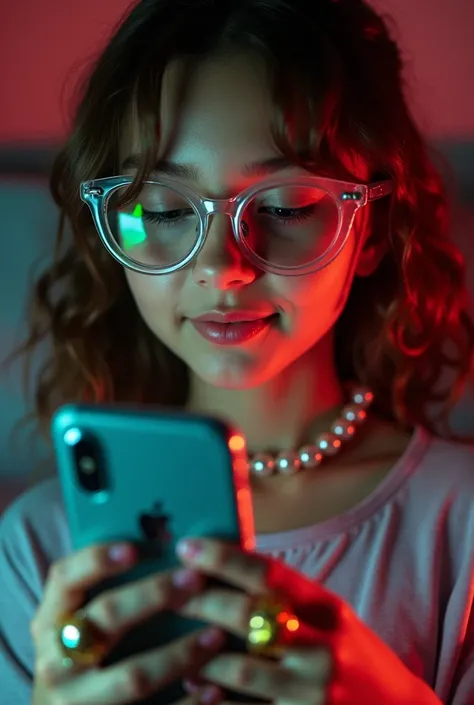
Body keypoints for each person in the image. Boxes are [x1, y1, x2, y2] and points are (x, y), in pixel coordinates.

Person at [1, 0, 473, 703]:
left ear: (369, 232)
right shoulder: (40, 548)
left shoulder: (460, 521)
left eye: (284, 207)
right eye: (161, 208)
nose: (222, 268)